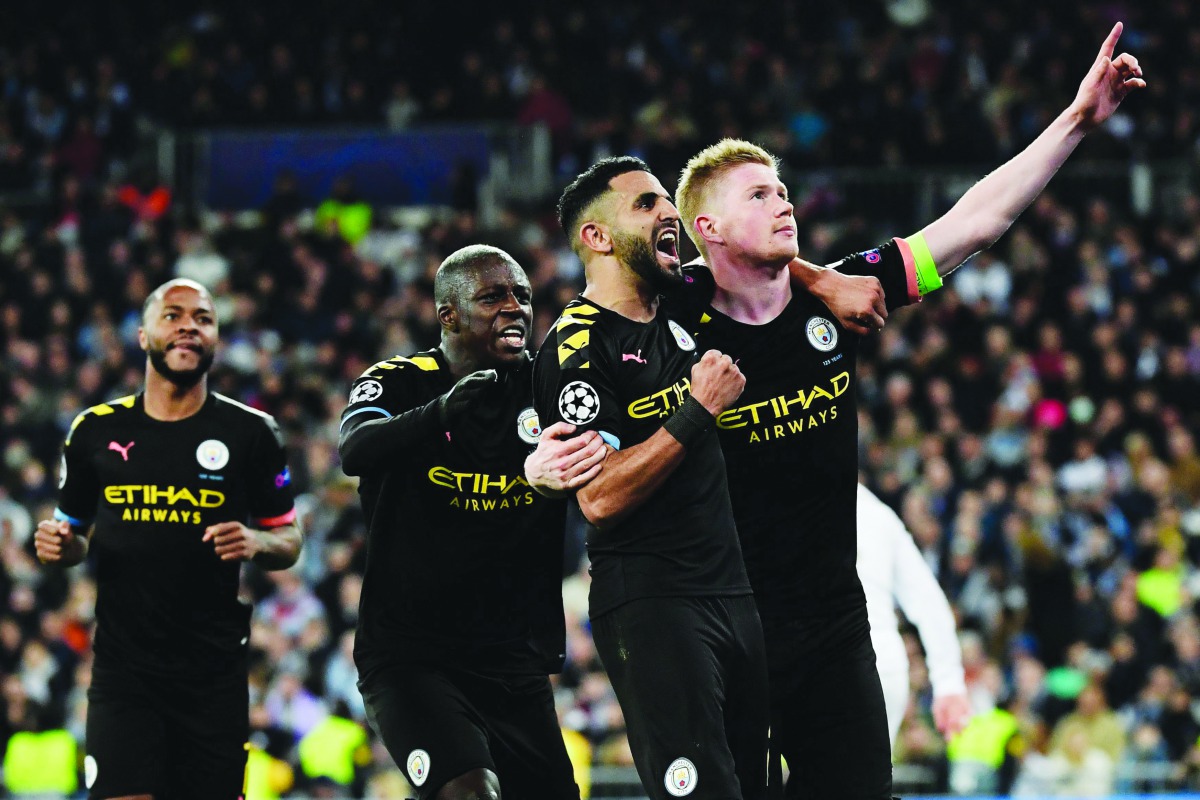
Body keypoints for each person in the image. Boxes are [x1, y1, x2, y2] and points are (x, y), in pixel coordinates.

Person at [530, 23, 1143, 799]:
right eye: (759, 194)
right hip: (724, 623)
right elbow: (599, 307)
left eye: (784, 189)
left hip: (832, 625)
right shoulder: (671, 313)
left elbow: (974, 224)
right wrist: (537, 459)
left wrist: (1077, 122)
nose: (784, 202)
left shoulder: (848, 294)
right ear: (704, 230)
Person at [533, 156, 771, 800]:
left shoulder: (682, 305)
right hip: (654, 602)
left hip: (734, 591)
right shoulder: (577, 346)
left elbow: (761, 266)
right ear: (597, 237)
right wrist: (696, 411)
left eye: (668, 200)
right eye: (645, 204)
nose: (670, 213)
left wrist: (826, 282)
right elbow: (601, 496)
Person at [337, 245, 590, 800]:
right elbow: (355, 450)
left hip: (512, 662)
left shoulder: (549, 386)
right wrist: (445, 409)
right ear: (448, 314)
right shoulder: (399, 380)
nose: (514, 308)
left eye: (522, 296)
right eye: (493, 296)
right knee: (471, 793)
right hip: (412, 657)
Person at [35, 278, 303, 800]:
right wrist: (62, 548)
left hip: (213, 675)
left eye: (203, 318)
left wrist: (255, 540)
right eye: (173, 315)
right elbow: (73, 533)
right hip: (124, 672)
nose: (188, 327)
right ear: (143, 335)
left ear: (217, 337)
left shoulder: (252, 433)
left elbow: (288, 539)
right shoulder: (93, 431)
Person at [856, 483, 969, 747]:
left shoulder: (774, 495)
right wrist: (949, 683)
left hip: (818, 657)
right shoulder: (878, 512)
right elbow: (928, 600)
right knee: (867, 784)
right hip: (882, 663)